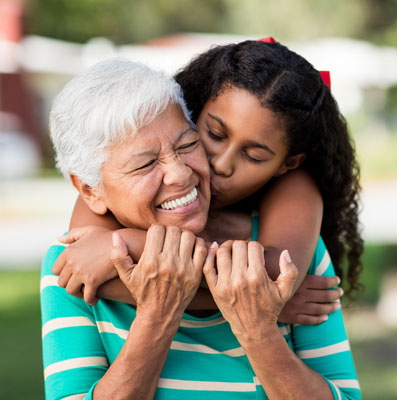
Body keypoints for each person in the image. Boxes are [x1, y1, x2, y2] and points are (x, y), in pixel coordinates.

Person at [41, 47, 361, 399]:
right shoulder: (78, 256)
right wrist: (170, 304)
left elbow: (273, 275)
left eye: (186, 145)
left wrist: (257, 322)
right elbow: (88, 268)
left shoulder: (297, 245)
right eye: (145, 164)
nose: (218, 164)